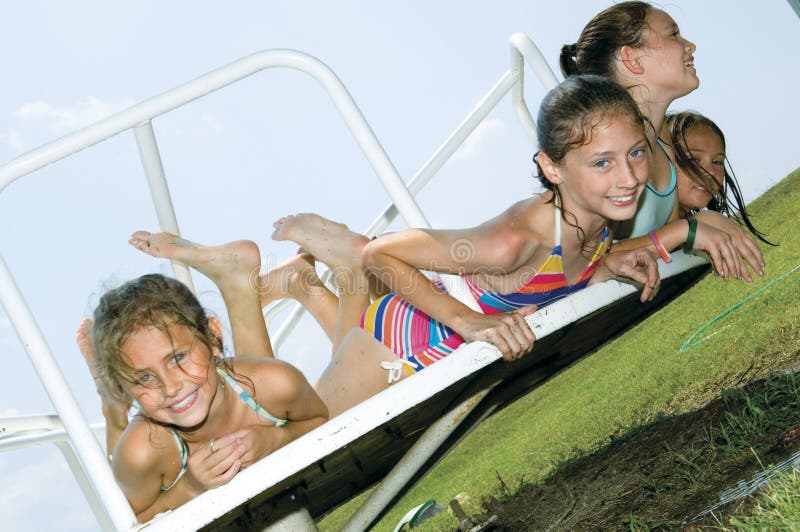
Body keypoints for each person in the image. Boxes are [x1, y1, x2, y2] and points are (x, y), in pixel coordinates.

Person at [249, 75, 659, 401]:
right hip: (401, 339)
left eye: (636, 153)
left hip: (430, 326)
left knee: (332, 374)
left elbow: (560, 277)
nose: (627, 177)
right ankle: (332, 270)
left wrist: (606, 264)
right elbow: (381, 253)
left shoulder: (601, 213)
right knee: (310, 426)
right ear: (552, 168)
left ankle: (315, 281)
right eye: (603, 162)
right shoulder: (514, 240)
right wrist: (471, 323)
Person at [77, 241, 329, 523]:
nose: (170, 387)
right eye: (144, 377)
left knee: (252, 381)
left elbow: (320, 419)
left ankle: (118, 389)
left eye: (178, 357)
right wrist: (190, 488)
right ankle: (113, 404)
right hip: (154, 450)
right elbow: (130, 521)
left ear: (213, 339)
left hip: (241, 388)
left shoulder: (278, 381)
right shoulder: (141, 452)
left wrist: (275, 439)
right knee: (125, 454)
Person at [560, 1, 764, 281]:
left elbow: (659, 238)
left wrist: (694, 224)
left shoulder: (661, 139)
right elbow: (585, 260)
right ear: (632, 60)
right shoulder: (604, 149)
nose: (689, 45)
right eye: (673, 35)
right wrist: (690, 228)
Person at [665, 110, 774, 245]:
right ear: (661, 163)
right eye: (693, 160)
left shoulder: (704, 235)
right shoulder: (638, 227)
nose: (710, 172)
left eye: (717, 162)